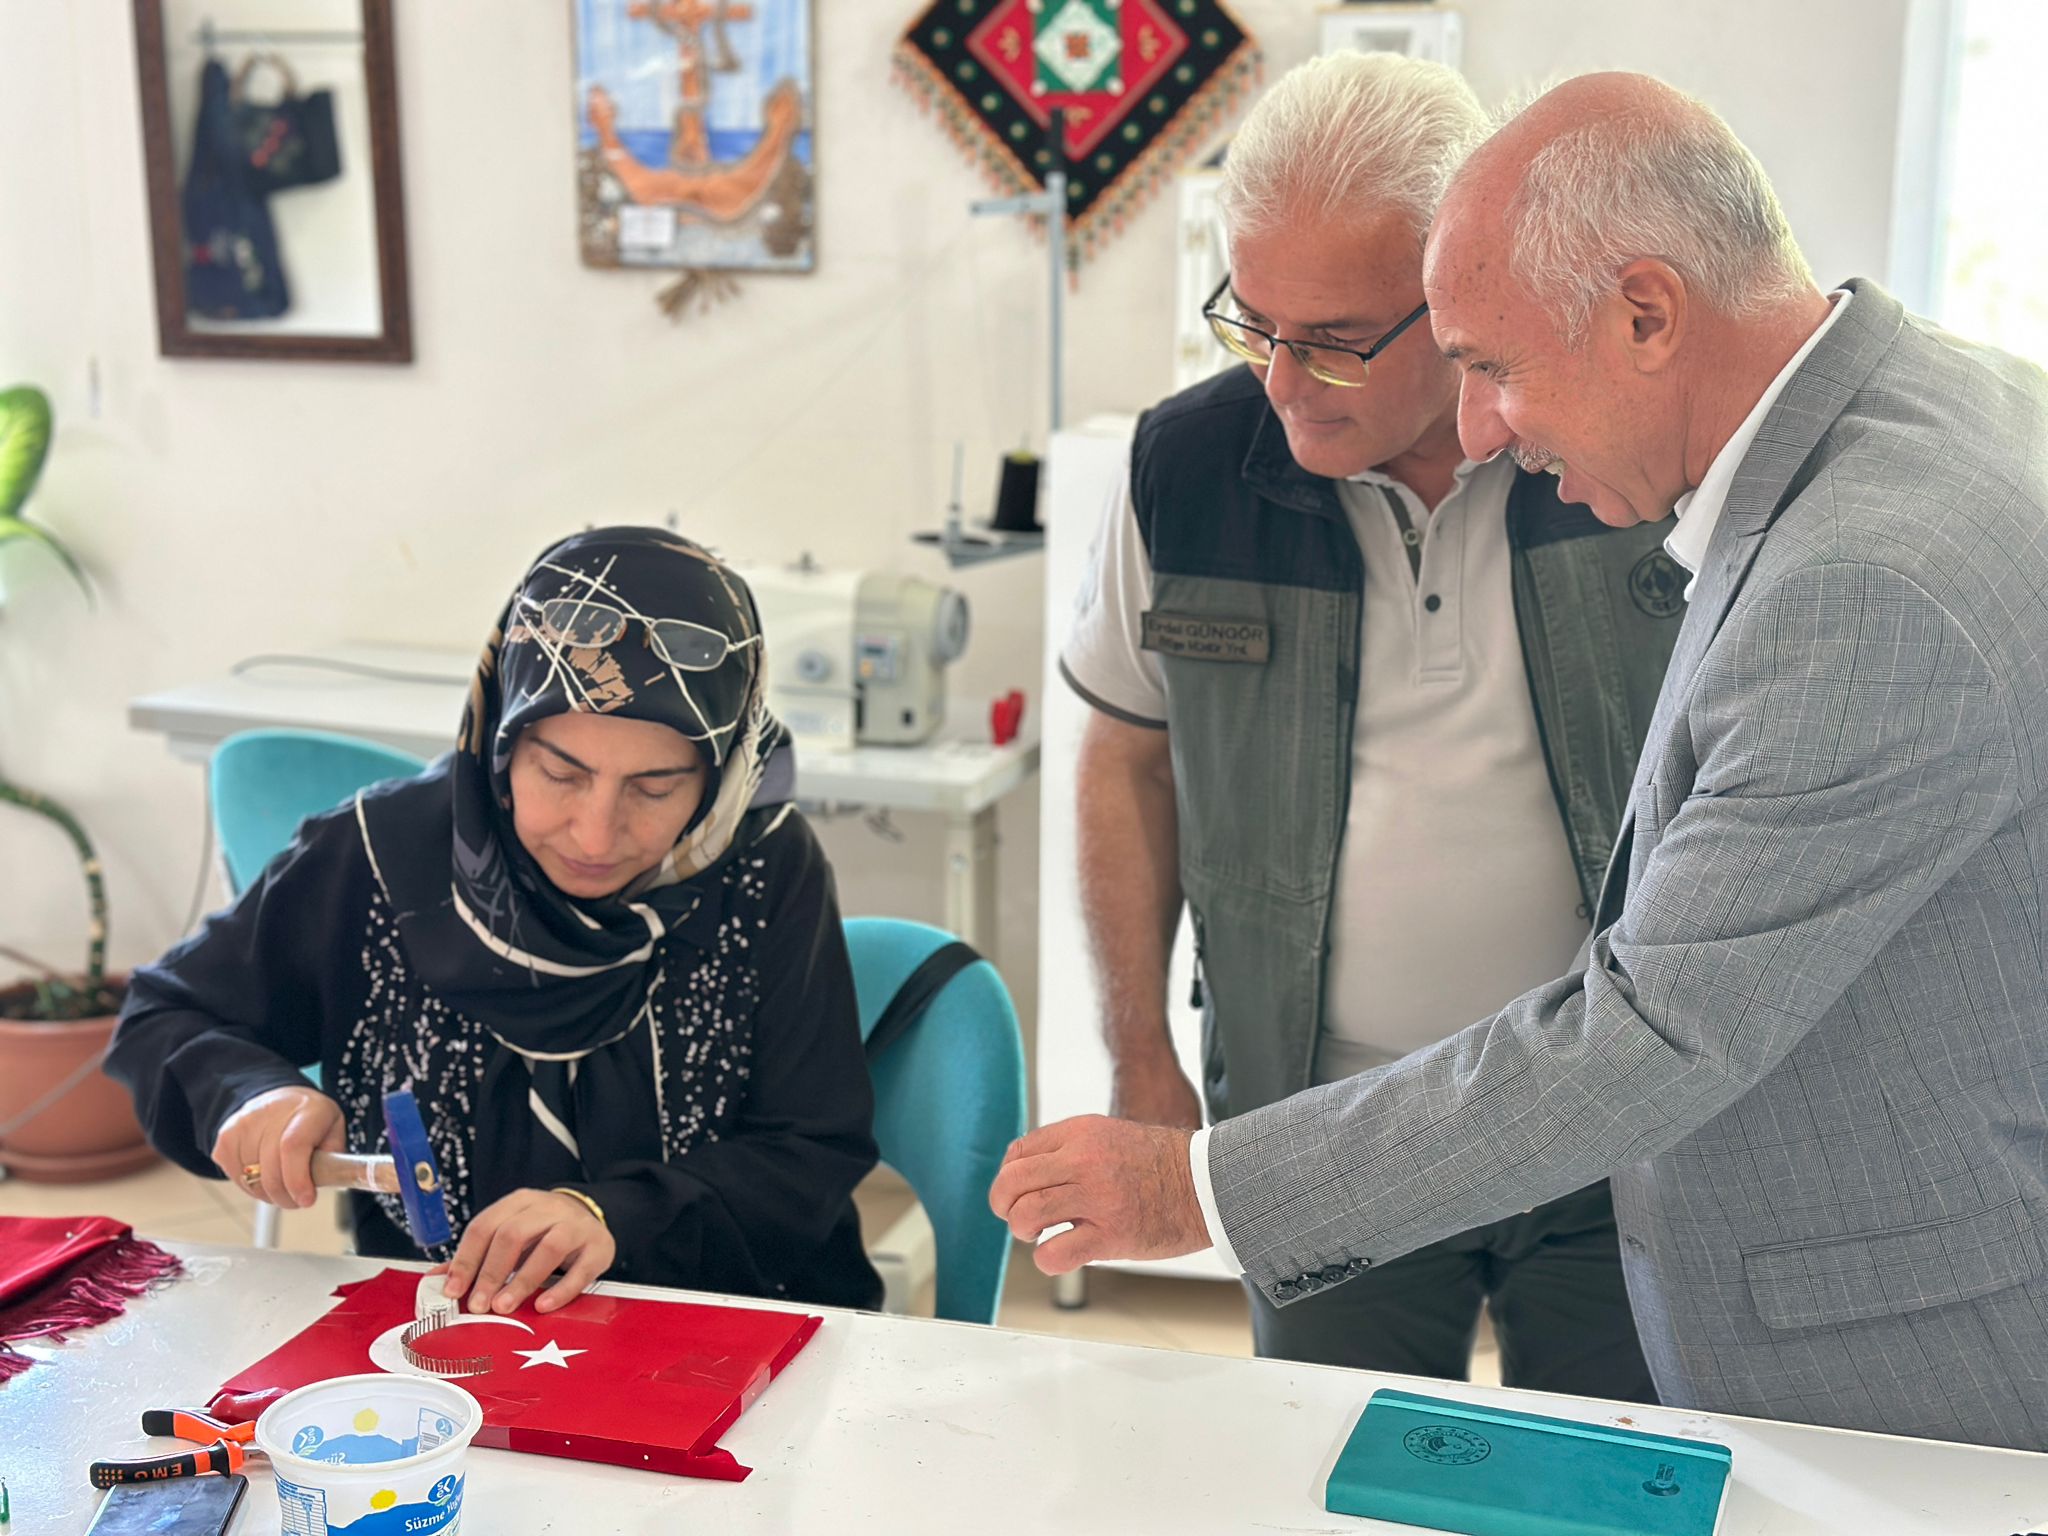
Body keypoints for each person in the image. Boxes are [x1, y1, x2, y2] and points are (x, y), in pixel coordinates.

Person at [994, 71, 2048, 1451]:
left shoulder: (1853, 580)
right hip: (1368, 1110)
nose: (1482, 424)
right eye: (1256, 327)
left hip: (1859, 1302)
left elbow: (1657, 1030)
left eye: (1490, 365)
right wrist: (1151, 1065)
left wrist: (1197, 1190)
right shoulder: (1958, 402)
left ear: (1645, 312)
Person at [1061, 51, 1676, 1390]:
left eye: (1335, 340)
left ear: (1464, 287)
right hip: (1315, 1130)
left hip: (1612, 1120)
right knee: (1328, 1466)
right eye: (1253, 323)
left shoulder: (1622, 447)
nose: (1283, 382)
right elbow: (1124, 761)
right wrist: (1139, 1056)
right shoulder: (1183, 469)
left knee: (1618, 1468)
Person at [111, 528, 882, 1316]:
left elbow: (811, 1147)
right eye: (560, 774)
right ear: (503, 740)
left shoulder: (761, 866)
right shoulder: (379, 857)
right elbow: (167, 1015)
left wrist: (610, 1215)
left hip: (728, 1318)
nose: (595, 835)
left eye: (655, 789)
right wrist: (247, 1093)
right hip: (442, 1326)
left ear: (717, 775)